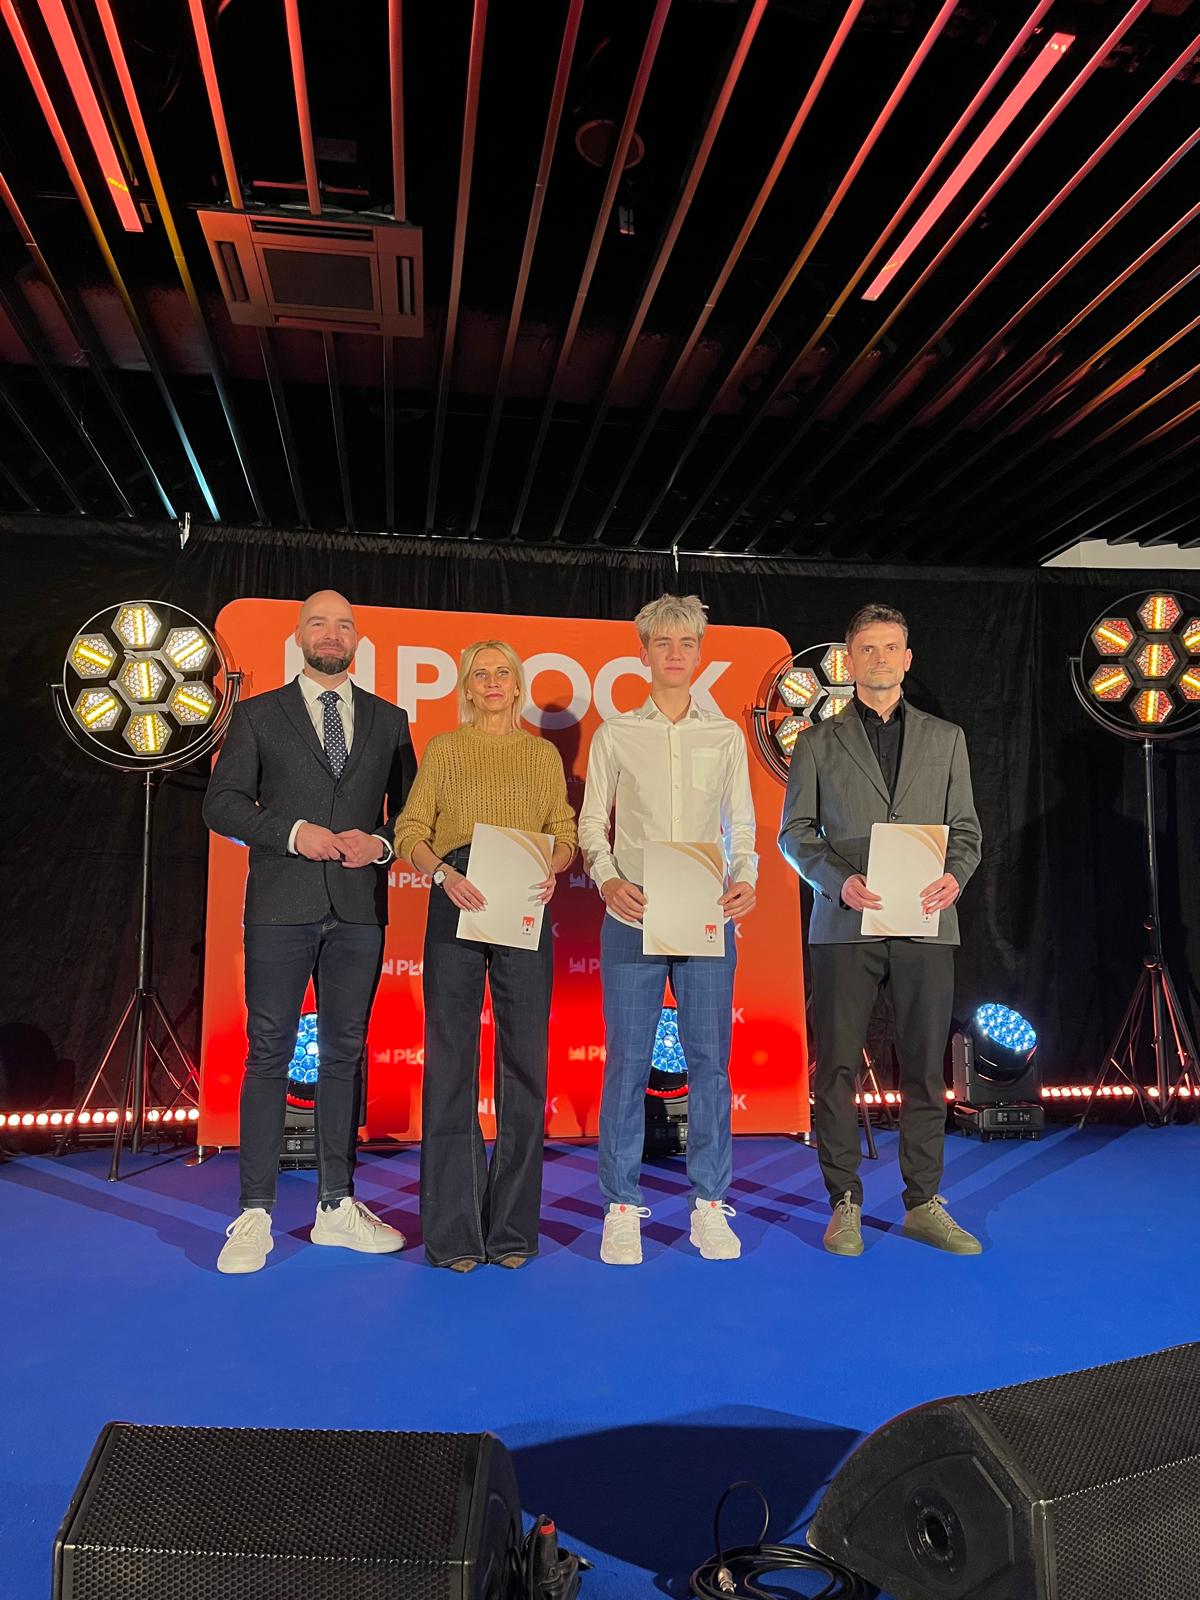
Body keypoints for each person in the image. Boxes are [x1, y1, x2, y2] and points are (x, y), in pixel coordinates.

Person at [203, 590, 416, 1274]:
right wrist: (294, 832)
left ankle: (335, 1205)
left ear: (357, 639)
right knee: (269, 1051)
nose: (331, 633)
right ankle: (254, 1214)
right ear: (299, 636)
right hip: (279, 908)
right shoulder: (258, 714)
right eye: (318, 622)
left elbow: (413, 814)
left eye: (343, 624)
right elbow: (221, 804)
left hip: (358, 911)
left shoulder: (389, 720)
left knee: (344, 1055)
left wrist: (381, 844)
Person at [779, 603, 983, 1256]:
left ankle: (923, 1202)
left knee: (924, 1067)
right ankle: (844, 1202)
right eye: (867, 649)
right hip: (846, 922)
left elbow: (967, 831)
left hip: (926, 920)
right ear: (849, 660)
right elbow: (794, 833)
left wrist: (955, 876)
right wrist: (836, 880)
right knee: (836, 1066)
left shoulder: (946, 738)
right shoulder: (816, 741)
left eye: (891, 647)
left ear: (907, 658)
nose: (880, 659)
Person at [578, 593, 757, 1266]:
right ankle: (621, 1207)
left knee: (710, 1064)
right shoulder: (616, 733)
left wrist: (747, 877)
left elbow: (742, 823)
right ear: (644, 652)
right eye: (663, 642)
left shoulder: (726, 735)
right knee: (627, 1062)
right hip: (633, 914)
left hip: (706, 914)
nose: (675, 654)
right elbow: (591, 823)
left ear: (700, 653)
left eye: (686, 643)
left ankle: (708, 1203)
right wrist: (606, 879)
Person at [393, 641, 576, 1271]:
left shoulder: (542, 755)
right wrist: (443, 875)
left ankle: (512, 1232)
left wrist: (554, 867)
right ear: (467, 688)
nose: (493, 682)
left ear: (517, 685)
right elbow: (409, 830)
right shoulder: (445, 749)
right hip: (457, 892)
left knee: (524, 1062)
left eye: (503, 673)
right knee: (451, 1061)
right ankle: (453, 1234)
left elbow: (564, 831)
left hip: (523, 898)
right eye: (481, 674)